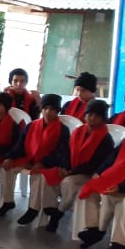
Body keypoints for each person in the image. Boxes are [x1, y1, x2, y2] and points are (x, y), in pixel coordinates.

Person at [47, 100, 114, 235]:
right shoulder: (78, 132)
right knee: (47, 176)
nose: (92, 118)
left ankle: (59, 211)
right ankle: (48, 207)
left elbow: (96, 164)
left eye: (97, 116)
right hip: (71, 169)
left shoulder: (106, 139)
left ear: (103, 118)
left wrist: (71, 172)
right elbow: (66, 152)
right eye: (90, 114)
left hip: (90, 174)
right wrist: (64, 167)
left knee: (69, 182)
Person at [3, 94, 69, 224]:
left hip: (48, 164)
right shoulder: (31, 125)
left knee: (39, 176)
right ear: (41, 109)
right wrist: (10, 157)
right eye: (45, 108)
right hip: (28, 159)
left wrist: (42, 163)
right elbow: (20, 146)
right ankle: (7, 201)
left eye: (52, 109)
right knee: (6, 168)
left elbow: (61, 153)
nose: (48, 112)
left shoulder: (63, 130)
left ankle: (32, 209)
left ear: (58, 110)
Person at [77, 132, 125, 249]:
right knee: (92, 190)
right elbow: (110, 160)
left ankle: (120, 244)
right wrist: (98, 172)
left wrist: (121, 187)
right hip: (120, 182)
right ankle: (94, 229)